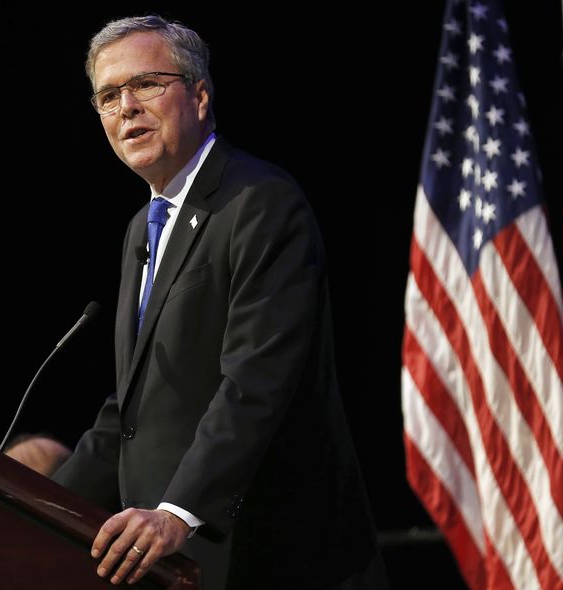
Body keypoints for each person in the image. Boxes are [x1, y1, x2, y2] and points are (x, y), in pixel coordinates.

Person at [52, 15, 388, 590]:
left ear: (201, 95)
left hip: (270, 554)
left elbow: (256, 381)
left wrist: (178, 510)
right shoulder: (142, 228)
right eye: (108, 96)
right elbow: (130, 412)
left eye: (146, 84)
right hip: (175, 567)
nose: (126, 106)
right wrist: (40, 504)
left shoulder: (260, 202)